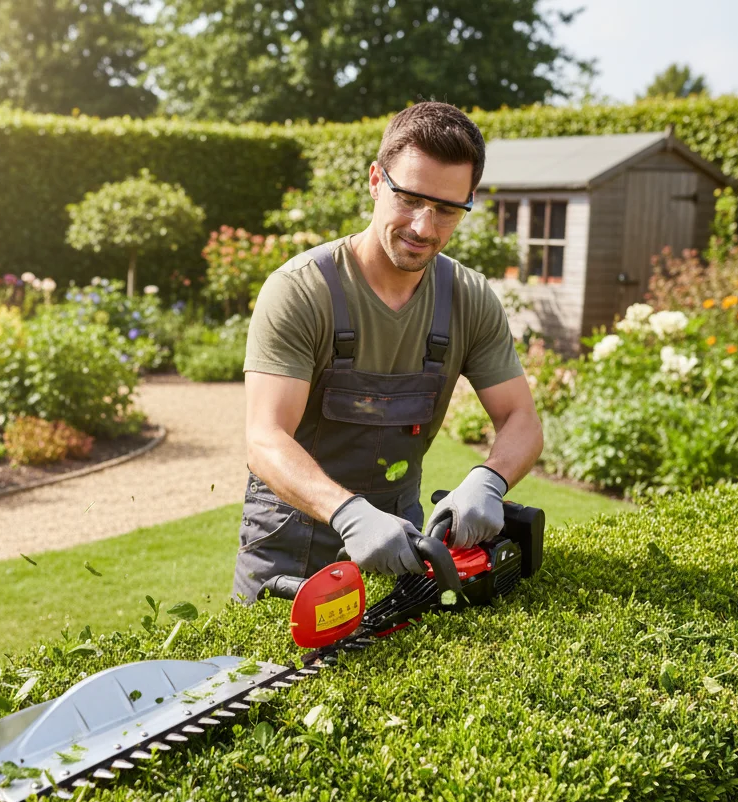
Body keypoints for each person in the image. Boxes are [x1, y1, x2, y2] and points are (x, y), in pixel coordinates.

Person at [232, 101, 544, 603]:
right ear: (377, 180)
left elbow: (521, 420)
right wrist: (349, 513)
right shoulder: (301, 291)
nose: (423, 227)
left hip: (401, 547)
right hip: (289, 551)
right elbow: (265, 438)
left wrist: (489, 480)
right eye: (409, 198)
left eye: (446, 209)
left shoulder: (469, 298)